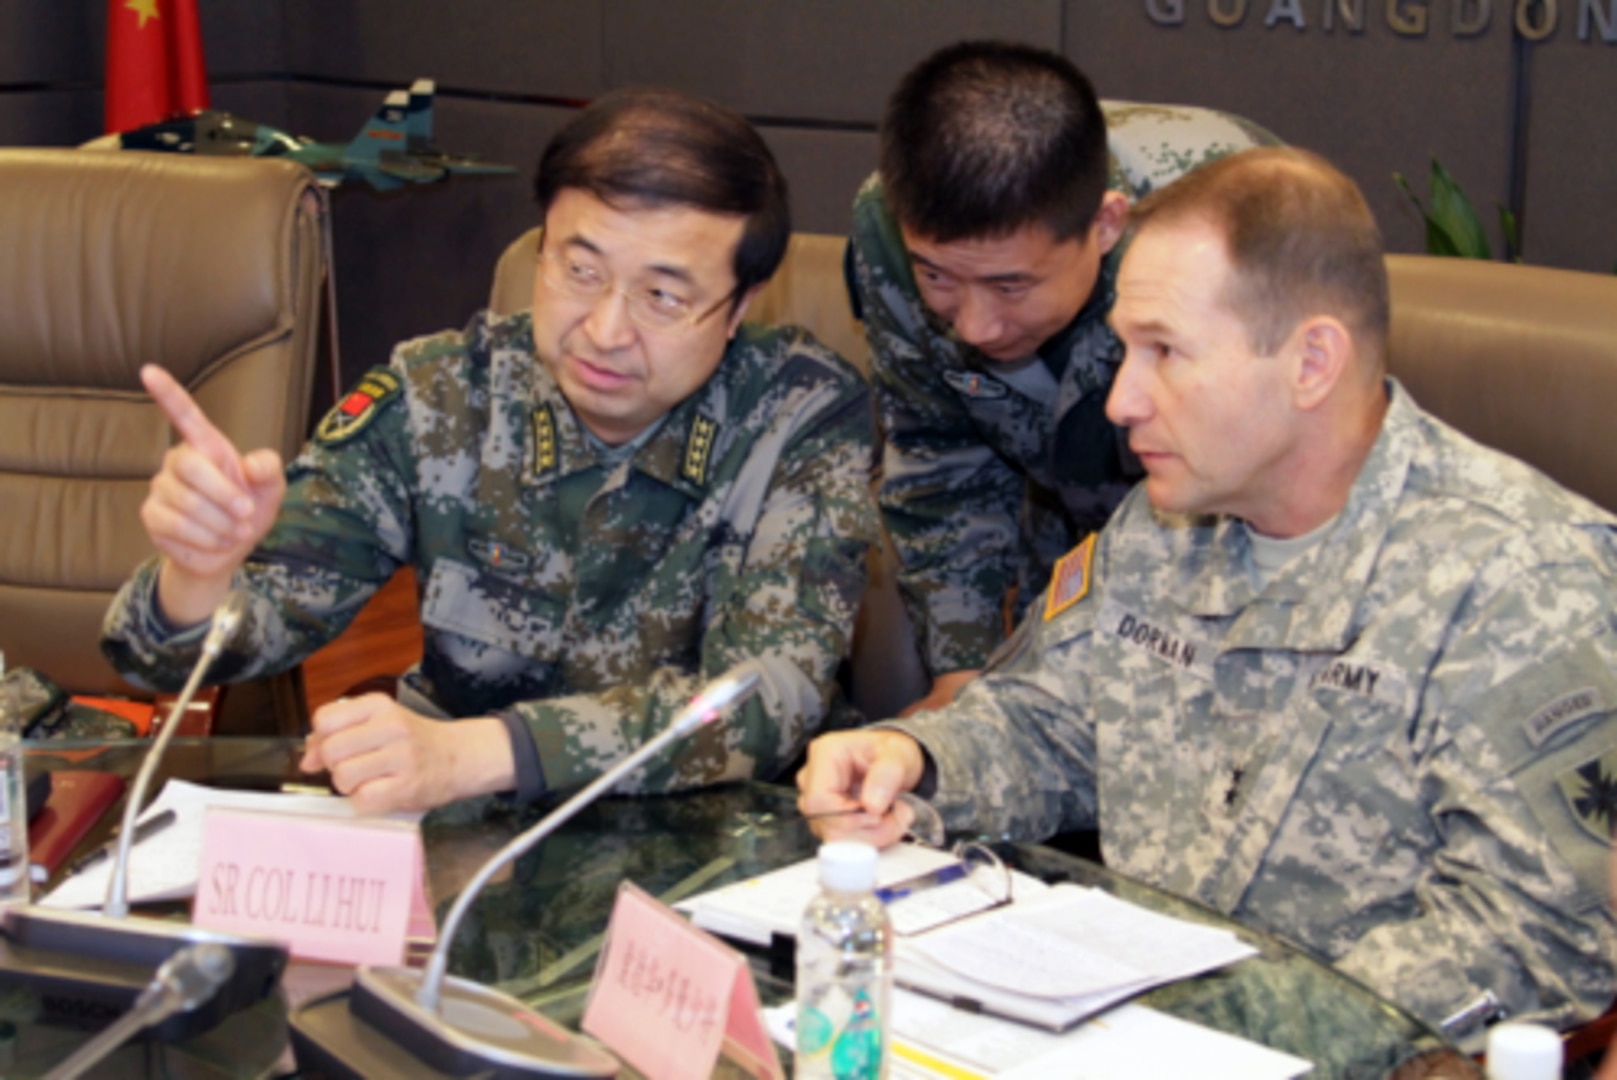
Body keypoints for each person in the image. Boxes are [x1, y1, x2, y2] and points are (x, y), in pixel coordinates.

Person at [802, 146, 1617, 1040]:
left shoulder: (1519, 581)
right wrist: (914, 762)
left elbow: (1541, 942)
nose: (1120, 400)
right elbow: (1047, 725)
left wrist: (1228, 1026)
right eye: (1123, 350)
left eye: (1164, 352)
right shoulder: (1166, 521)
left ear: (1311, 363)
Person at [103, 87, 880, 814]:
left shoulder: (800, 416)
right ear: (540, 250)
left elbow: (768, 698)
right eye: (580, 271)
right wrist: (197, 577)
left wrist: (480, 753)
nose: (606, 330)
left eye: (662, 296)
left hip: (704, 843)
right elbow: (187, 653)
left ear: (741, 302)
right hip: (463, 840)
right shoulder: (439, 394)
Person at [850, 40, 1277, 714]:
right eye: (937, 277)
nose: (975, 327)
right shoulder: (891, 226)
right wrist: (964, 673)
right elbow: (939, 459)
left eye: (1009, 285)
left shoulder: (1226, 235)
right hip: (1064, 528)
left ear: (1106, 224)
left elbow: (1269, 496)